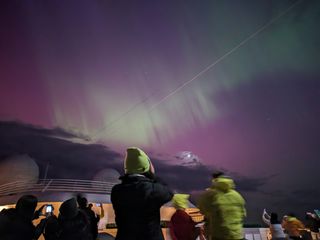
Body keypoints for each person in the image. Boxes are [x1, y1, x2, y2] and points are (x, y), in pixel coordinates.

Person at [111, 147, 173, 240]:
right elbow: (168, 193)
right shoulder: (152, 190)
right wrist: (153, 175)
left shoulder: (116, 191)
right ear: (145, 167)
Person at [197, 175, 246, 240]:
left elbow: (202, 209)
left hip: (220, 235)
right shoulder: (237, 195)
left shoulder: (211, 194)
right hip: (237, 235)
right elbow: (244, 214)